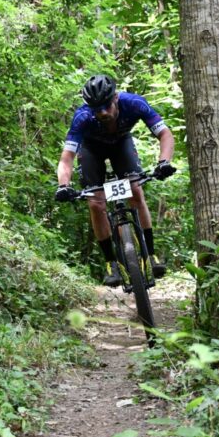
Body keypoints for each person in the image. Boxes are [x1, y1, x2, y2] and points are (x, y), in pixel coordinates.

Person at [55, 74, 176, 287]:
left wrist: (164, 162)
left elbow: (165, 134)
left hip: (121, 144)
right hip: (91, 149)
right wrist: (63, 185)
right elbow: (67, 158)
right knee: (95, 202)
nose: (102, 112)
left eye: (106, 106)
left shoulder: (134, 103)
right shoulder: (82, 117)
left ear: (116, 98)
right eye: (97, 109)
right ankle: (111, 263)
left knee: (135, 191)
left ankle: (150, 255)